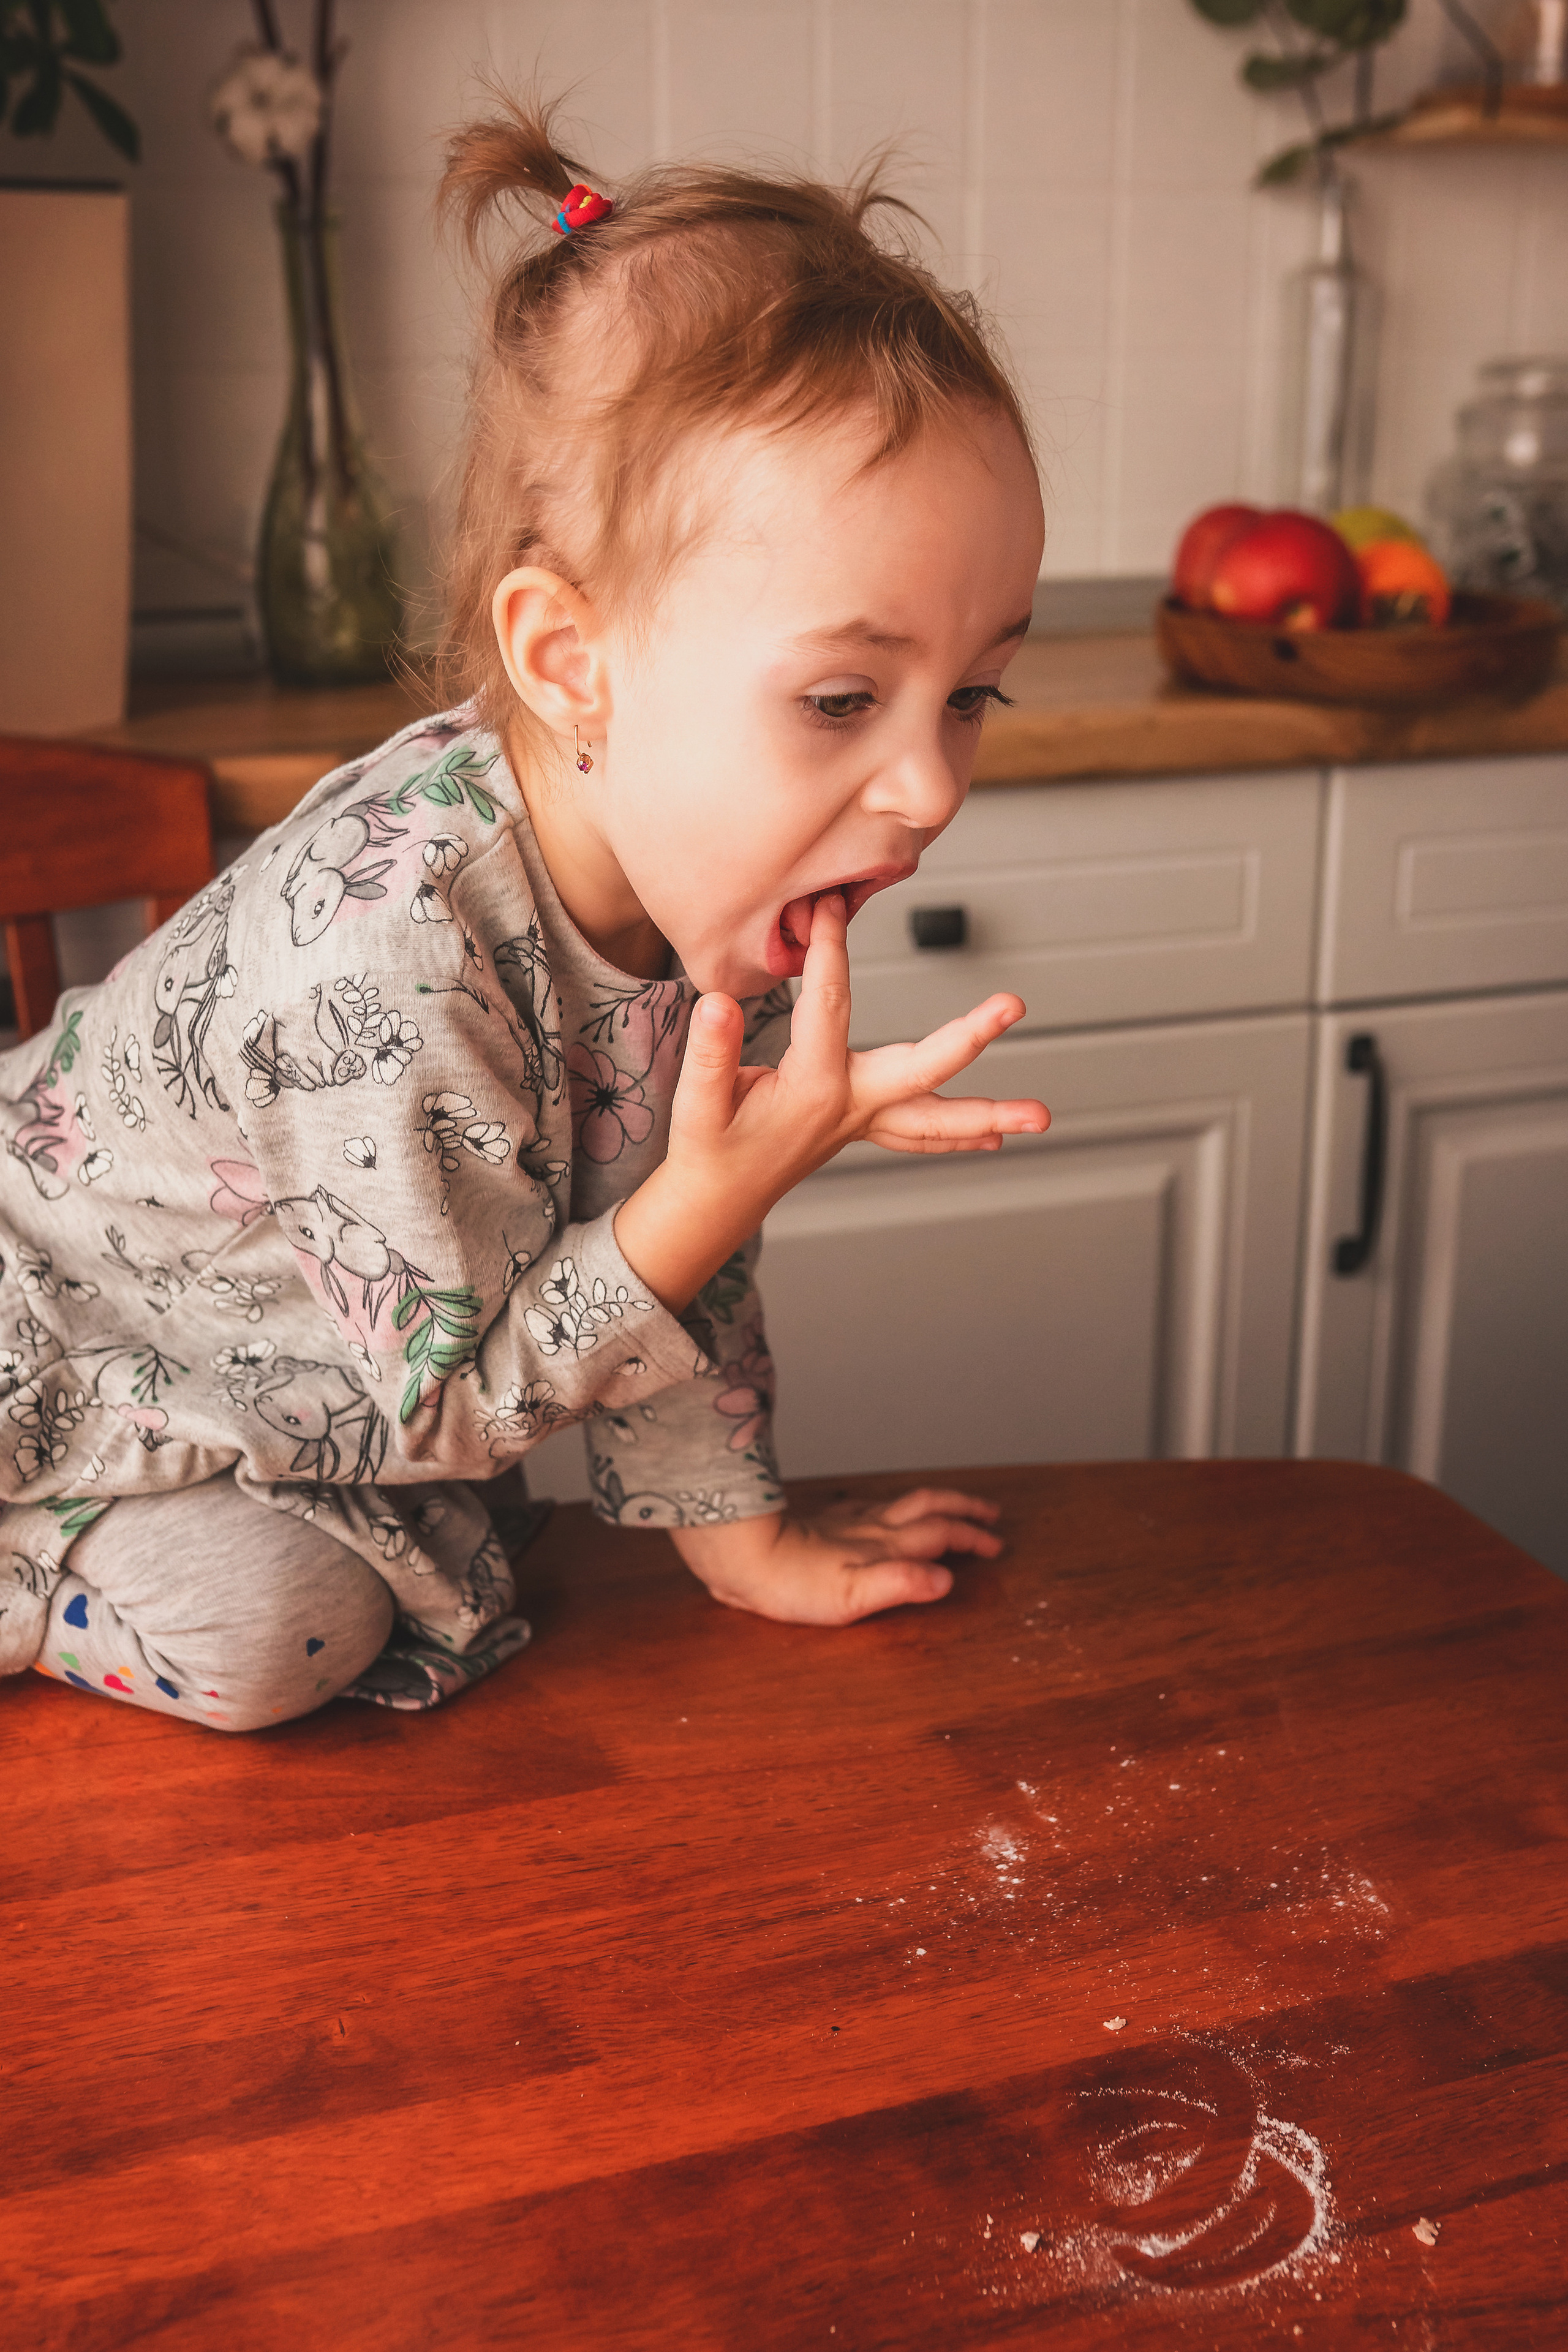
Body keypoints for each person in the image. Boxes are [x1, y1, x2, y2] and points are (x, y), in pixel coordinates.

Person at [0, 96, 1048, 1728]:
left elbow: (668, 1231)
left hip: (308, 1368)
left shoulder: (720, 871)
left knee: (375, 1581)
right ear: (574, 665)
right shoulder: (390, 957)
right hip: (56, 1334)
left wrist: (732, 1527)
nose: (929, 787)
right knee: (278, 1635)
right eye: (846, 698)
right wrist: (720, 1188)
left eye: (975, 692)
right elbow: (450, 1403)